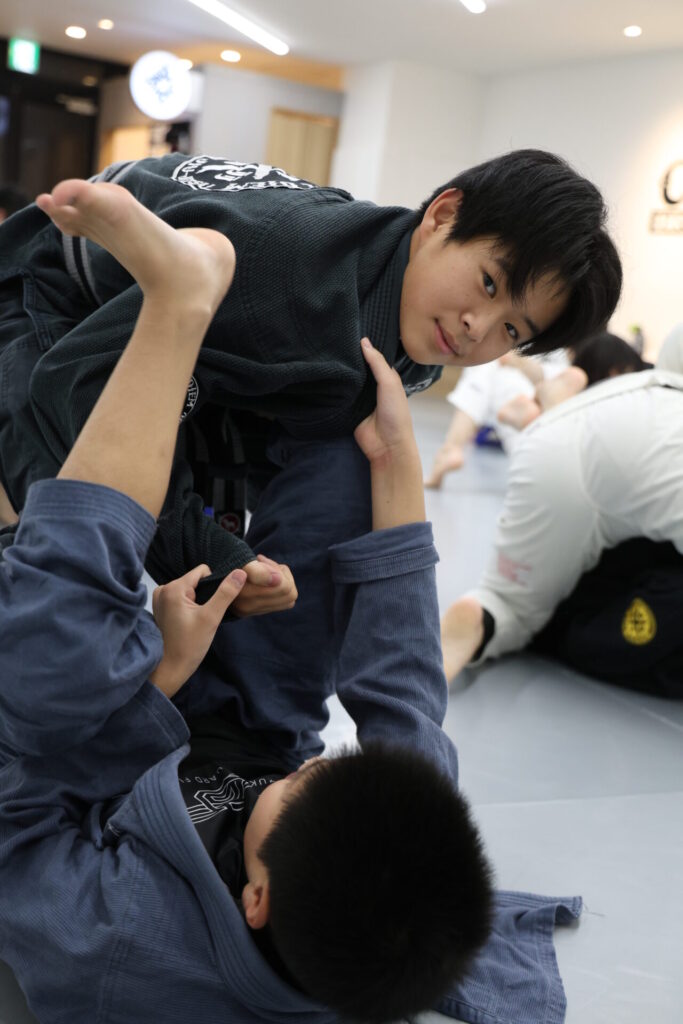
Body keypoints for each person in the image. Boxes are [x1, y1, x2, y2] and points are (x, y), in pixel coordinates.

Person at [0, 178, 582, 1024]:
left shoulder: (121, 938)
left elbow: (22, 811)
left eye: (308, 783)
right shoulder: (391, 859)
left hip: (88, 741)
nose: (320, 761)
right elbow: (403, 687)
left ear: (254, 899)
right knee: (348, 447)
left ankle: (175, 306)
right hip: (243, 713)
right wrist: (395, 456)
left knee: (60, 667)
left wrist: (155, 681)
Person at [0, 150, 622, 616]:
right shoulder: (288, 277)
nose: (476, 328)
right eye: (489, 283)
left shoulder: (410, 320)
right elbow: (72, 388)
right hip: (46, 282)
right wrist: (209, 552)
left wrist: (224, 554)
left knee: (326, 475)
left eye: (511, 329)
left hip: (188, 333)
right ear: (443, 215)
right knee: (70, 541)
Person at [440, 366, 683, 697]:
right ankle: (488, 620)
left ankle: (488, 609)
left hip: (592, 418)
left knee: (508, 597)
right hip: (613, 458)